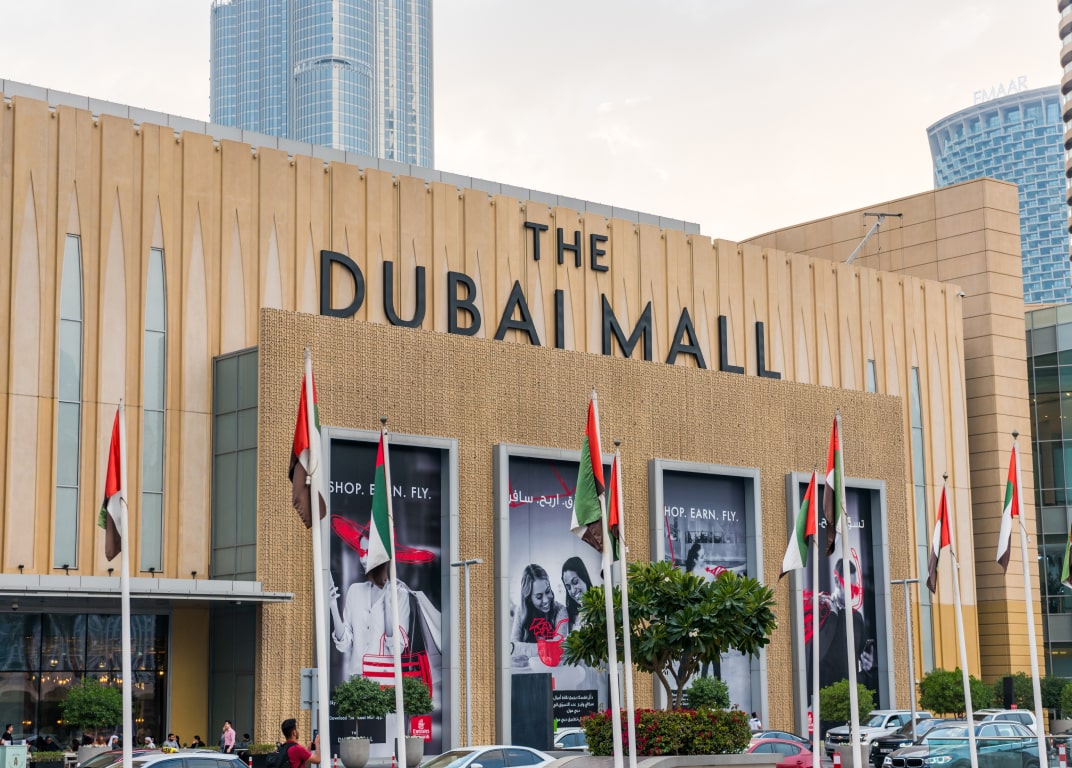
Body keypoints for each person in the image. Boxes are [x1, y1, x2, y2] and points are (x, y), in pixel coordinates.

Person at [329, 533, 411, 680]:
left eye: (368, 552)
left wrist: (388, 606)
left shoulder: (400, 593)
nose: (363, 558)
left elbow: (397, 648)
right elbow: (345, 645)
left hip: (385, 683)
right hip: (357, 682)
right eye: (361, 552)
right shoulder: (355, 590)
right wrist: (333, 606)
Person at [815, 556, 876, 690]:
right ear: (837, 581)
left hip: (852, 692)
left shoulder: (857, 618)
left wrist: (868, 663)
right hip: (826, 693)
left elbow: (863, 656)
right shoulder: (821, 610)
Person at [510, 563, 568, 661]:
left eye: (548, 591)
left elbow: (558, 649)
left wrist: (521, 648)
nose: (546, 600)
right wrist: (545, 648)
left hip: (553, 668)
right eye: (539, 597)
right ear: (529, 599)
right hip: (527, 668)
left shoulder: (561, 611)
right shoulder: (520, 611)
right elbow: (512, 648)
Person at [560, 557, 593, 632]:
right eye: (568, 587)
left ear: (584, 577)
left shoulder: (601, 607)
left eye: (575, 582)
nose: (573, 591)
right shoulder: (569, 616)